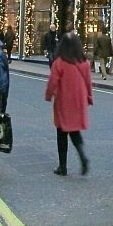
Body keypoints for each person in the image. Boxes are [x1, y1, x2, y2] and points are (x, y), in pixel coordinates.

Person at [44, 32, 92, 176]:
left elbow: (53, 82)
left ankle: (62, 166)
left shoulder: (59, 62)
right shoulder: (84, 62)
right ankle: (82, 156)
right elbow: (88, 82)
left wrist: (48, 95)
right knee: (75, 130)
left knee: (62, 132)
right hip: (79, 99)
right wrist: (89, 97)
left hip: (64, 99)